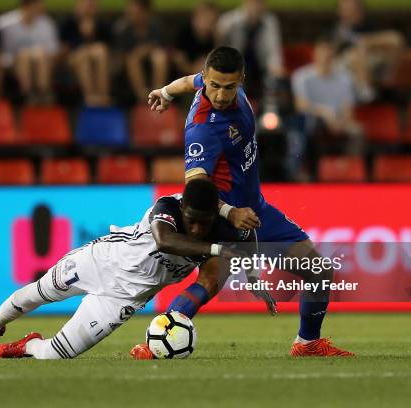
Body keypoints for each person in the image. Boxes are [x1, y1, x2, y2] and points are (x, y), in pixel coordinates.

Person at [133, 46, 353, 358]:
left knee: (318, 270)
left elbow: (187, 81)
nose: (221, 95)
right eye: (214, 86)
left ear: (241, 80)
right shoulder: (202, 130)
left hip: (256, 210)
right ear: (208, 80)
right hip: (225, 216)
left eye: (229, 87)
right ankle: (155, 345)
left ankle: (308, 344)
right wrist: (229, 212)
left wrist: (166, 92)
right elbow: (196, 187)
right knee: (210, 282)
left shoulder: (213, 81)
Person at [0, 180, 263, 360]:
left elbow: (237, 250)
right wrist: (219, 249)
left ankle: (26, 345)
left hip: (124, 298)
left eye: (203, 222)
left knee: (57, 355)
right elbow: (165, 241)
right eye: (191, 219)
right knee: (36, 293)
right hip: (100, 261)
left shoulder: (224, 228)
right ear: (184, 209)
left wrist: (252, 274)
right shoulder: (168, 205)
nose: (196, 228)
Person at [289, 34, 363, 179]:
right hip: (316, 121)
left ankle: (349, 171)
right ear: (315, 54)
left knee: (358, 131)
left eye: (329, 53)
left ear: (334, 55)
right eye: (322, 52)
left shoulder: (345, 78)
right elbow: (301, 106)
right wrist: (324, 114)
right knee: (307, 125)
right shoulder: (302, 76)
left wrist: (341, 122)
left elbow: (348, 110)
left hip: (340, 121)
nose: (326, 57)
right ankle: (308, 173)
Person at [332, 0, 404, 102]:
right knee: (356, 54)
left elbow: (395, 39)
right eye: (346, 10)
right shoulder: (338, 31)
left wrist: (366, 42)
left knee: (395, 40)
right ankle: (365, 92)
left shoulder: (370, 26)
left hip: (374, 65)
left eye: (353, 10)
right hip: (346, 69)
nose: (349, 13)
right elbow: (330, 56)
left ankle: (388, 82)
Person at [0, 0, 59, 105]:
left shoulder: (47, 23)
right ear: (26, 6)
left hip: (42, 62)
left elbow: (52, 51)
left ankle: (42, 93)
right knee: (25, 56)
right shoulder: (4, 24)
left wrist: (35, 55)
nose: (42, 6)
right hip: (12, 63)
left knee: (39, 55)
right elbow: (3, 52)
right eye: (37, 4)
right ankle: (29, 94)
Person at [216, 0, 284, 98]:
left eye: (260, 3)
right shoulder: (228, 21)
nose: (256, 7)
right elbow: (219, 49)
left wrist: (276, 67)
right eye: (253, 3)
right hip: (234, 67)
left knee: (276, 82)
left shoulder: (270, 22)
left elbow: (274, 51)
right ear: (245, 3)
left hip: (261, 68)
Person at [113, 0, 168, 102]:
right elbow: (121, 54)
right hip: (129, 68)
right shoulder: (123, 29)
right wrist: (137, 54)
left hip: (153, 61)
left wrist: (145, 50)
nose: (132, 15)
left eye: (136, 12)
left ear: (145, 12)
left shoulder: (156, 26)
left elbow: (162, 46)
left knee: (159, 56)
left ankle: (159, 94)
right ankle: (143, 98)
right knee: (132, 59)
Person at [60, 0, 111, 106]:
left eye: (91, 6)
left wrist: (91, 36)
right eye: (85, 5)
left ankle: (103, 95)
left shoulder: (102, 23)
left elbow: (109, 45)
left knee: (100, 52)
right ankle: (90, 96)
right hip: (75, 57)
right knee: (84, 55)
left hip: (97, 55)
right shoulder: (69, 23)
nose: (88, 9)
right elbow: (64, 48)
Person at [171, 1, 218, 76]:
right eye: (205, 20)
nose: (208, 26)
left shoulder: (212, 38)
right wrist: (192, 69)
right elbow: (178, 59)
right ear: (194, 19)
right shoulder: (184, 33)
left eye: (212, 22)